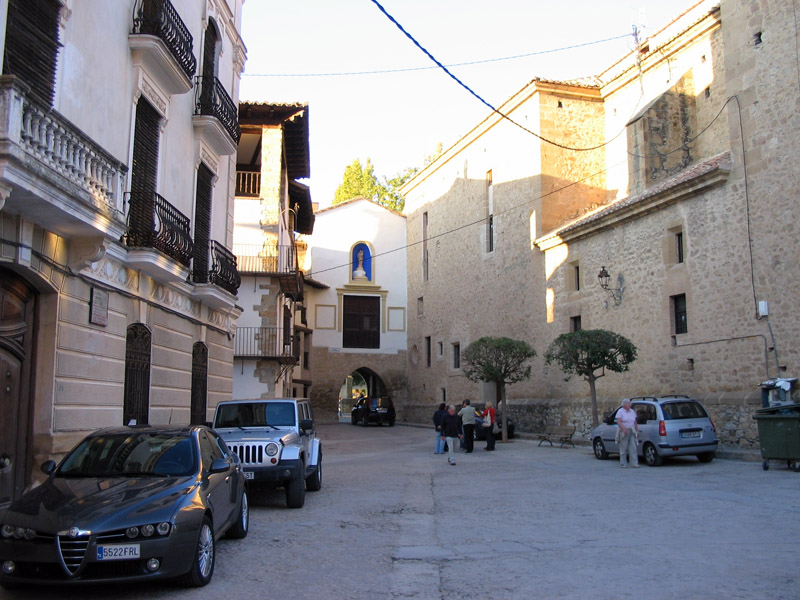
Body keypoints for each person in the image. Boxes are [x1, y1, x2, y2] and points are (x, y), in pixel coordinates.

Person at [616, 399, 639, 468]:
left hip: (631, 430)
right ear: (625, 405)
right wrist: (624, 429)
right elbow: (619, 422)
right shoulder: (620, 412)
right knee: (623, 447)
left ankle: (634, 463)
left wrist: (637, 429)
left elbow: (635, 421)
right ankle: (623, 463)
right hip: (624, 431)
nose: (630, 405)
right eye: (629, 404)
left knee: (633, 447)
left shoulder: (632, 411)